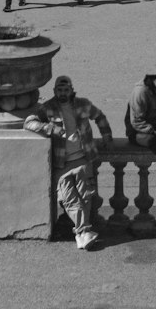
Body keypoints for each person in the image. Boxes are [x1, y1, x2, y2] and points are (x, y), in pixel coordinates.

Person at [25, 75, 112, 251]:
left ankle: (82, 235)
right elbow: (29, 123)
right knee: (69, 199)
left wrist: (107, 136)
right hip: (62, 163)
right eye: (59, 90)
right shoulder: (47, 108)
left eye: (66, 90)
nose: (63, 93)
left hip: (83, 159)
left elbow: (100, 116)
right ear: (54, 91)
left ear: (71, 90)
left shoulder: (83, 104)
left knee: (85, 196)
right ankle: (83, 232)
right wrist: (51, 128)